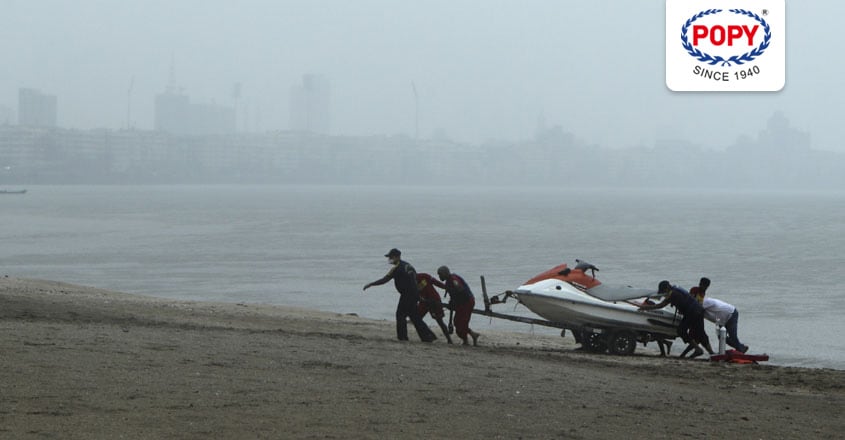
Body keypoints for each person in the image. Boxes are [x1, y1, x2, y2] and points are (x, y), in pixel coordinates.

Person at [363, 249, 436, 343]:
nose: (389, 259)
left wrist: (371, 284)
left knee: (400, 315)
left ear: (397, 257)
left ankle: (403, 337)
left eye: (391, 257)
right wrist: (418, 295)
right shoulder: (409, 266)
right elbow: (415, 280)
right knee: (414, 316)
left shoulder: (397, 268)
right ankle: (428, 336)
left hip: (406, 295)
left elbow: (385, 279)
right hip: (414, 294)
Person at [638, 280, 713, 358]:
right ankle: (710, 353)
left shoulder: (672, 294)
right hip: (698, 311)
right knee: (700, 333)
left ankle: (698, 349)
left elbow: (661, 305)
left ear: (667, 288)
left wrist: (646, 307)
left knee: (681, 330)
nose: (664, 293)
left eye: (664, 291)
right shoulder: (676, 288)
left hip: (693, 313)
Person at [436, 265, 480, 346]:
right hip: (462, 303)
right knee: (457, 322)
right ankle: (472, 335)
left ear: (445, 273)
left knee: (461, 322)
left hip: (466, 302)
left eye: (440, 274)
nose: (439, 276)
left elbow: (460, 290)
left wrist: (455, 301)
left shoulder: (453, 280)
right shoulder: (449, 281)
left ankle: (467, 339)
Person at [416, 272, 454, 344]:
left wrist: (446, 287)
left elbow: (436, 282)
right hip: (423, 302)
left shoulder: (424, 276)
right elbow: (414, 294)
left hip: (434, 300)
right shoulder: (410, 282)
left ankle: (449, 340)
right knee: (417, 319)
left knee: (439, 320)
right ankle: (431, 335)